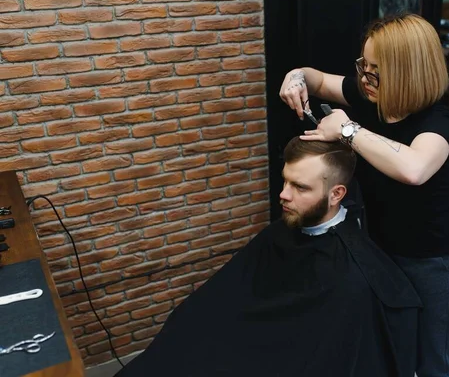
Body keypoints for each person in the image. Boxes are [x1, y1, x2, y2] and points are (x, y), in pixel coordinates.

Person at [114, 137, 422, 377]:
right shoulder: (282, 232)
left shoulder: (354, 275)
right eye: (285, 180)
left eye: (299, 187)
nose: (284, 195)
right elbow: (224, 300)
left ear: (337, 194)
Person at [280, 13, 449, 377]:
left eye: (375, 70)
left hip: (435, 259)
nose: (364, 77)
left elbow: (413, 169)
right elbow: (317, 79)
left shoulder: (438, 122)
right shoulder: (371, 95)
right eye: (362, 65)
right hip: (384, 249)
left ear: (407, 72)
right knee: (394, 344)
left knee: (435, 364)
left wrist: (347, 129)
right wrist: (296, 77)